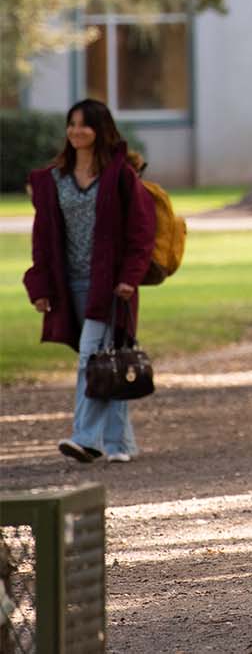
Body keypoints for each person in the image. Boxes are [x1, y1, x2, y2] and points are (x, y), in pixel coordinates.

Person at [22, 99, 157, 464]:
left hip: (111, 287)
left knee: (91, 358)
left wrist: (129, 278)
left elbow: (142, 233)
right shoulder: (54, 179)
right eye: (71, 124)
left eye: (84, 124)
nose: (76, 131)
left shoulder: (120, 176)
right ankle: (120, 444)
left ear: (101, 130)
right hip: (70, 285)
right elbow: (43, 237)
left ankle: (86, 438)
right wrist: (41, 287)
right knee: (106, 362)